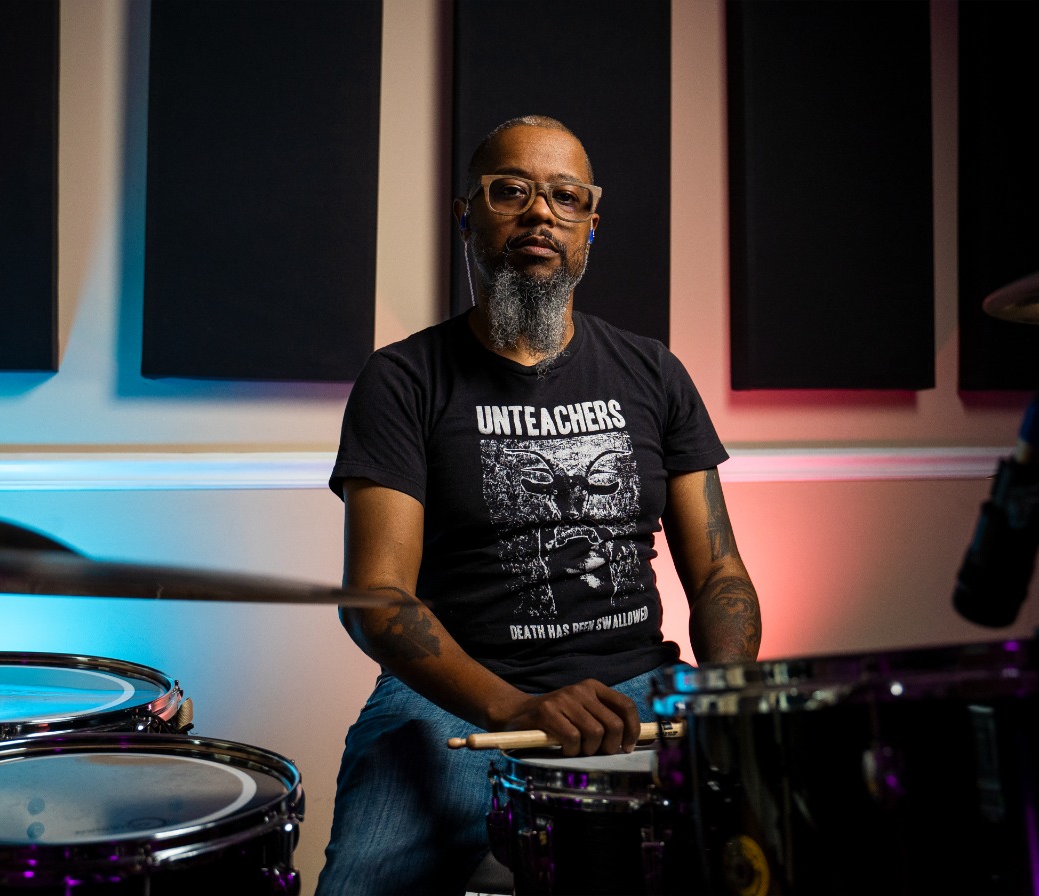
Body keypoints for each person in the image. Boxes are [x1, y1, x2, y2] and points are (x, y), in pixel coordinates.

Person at [317, 115, 761, 895]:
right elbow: (377, 601)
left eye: (564, 196)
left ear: (591, 225)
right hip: (453, 700)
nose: (539, 213)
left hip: (644, 690)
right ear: (467, 212)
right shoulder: (403, 380)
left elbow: (719, 569)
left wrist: (720, 698)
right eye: (509, 191)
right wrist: (515, 705)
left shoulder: (654, 373)